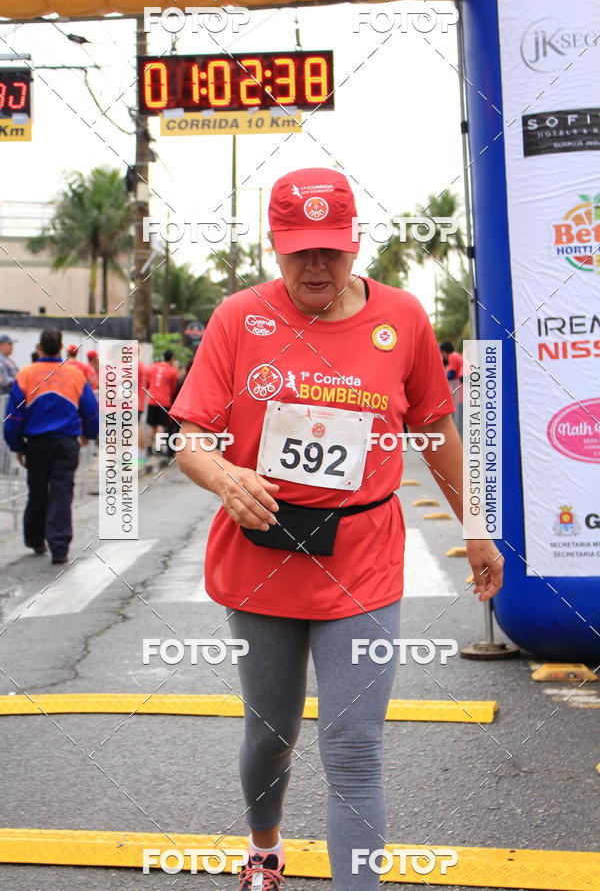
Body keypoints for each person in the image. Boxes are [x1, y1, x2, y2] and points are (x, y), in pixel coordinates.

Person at [170, 167, 504, 891]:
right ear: (274, 247)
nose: (315, 265)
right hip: (263, 553)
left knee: (354, 747)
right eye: (299, 251)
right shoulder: (238, 317)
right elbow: (190, 436)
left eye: (331, 249)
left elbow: (435, 426)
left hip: (362, 557)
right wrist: (228, 477)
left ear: (355, 245)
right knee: (272, 734)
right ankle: (264, 847)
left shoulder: (403, 319)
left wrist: (477, 524)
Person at [3, 328, 99, 564]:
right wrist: (88, 434)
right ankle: (59, 547)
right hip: (66, 443)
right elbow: (90, 411)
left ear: (40, 348)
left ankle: (36, 539)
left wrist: (16, 446)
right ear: (60, 347)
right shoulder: (75, 375)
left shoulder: (26, 374)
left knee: (37, 490)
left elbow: (13, 417)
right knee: (62, 492)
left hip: (36, 445)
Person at [146, 350, 178, 454]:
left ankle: (149, 447)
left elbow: (148, 382)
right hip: (164, 401)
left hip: (152, 399)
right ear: (172, 359)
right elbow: (173, 388)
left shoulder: (153, 367)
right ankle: (158, 448)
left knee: (151, 424)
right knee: (161, 425)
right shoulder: (172, 371)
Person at [440, 341, 464, 437]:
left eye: (441, 352)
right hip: (460, 392)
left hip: (460, 393)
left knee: (458, 421)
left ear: (445, 351)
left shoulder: (452, 357)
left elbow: (451, 374)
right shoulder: (456, 355)